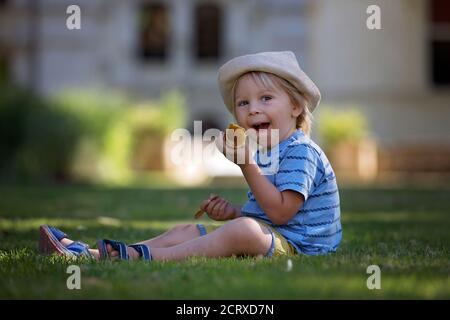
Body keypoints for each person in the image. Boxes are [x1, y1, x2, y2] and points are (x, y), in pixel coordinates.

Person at [39, 51, 342, 261]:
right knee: (188, 229)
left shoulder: (301, 152)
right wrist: (235, 211)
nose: (253, 109)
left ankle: (141, 258)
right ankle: (100, 253)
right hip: (277, 235)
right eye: (243, 102)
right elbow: (269, 211)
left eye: (266, 98)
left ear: (296, 107)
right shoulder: (269, 151)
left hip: (301, 248)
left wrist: (245, 165)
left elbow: (280, 214)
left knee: (244, 231)